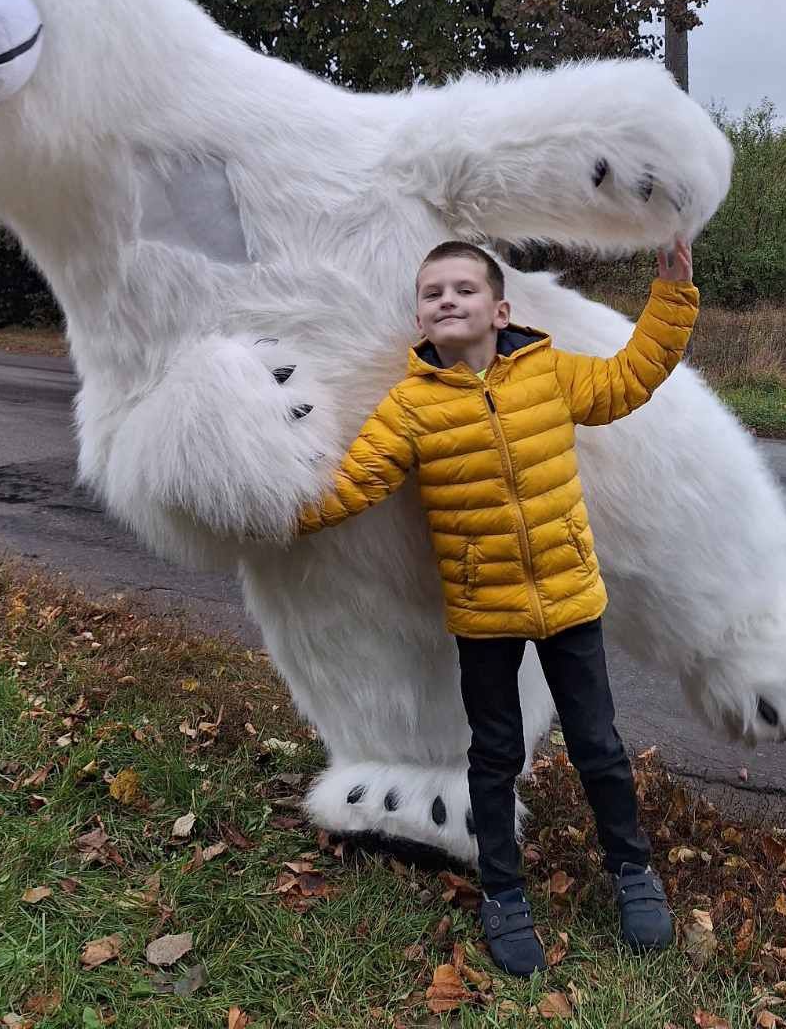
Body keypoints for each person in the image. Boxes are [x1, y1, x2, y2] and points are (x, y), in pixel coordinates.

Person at [295, 237, 699, 976]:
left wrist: (671, 298)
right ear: (421, 318)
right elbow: (353, 485)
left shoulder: (547, 371)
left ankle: (633, 873)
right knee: (493, 756)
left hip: (571, 598)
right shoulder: (411, 407)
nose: (447, 300)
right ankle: (505, 895)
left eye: (463, 289)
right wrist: (271, 512)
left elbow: (629, 380)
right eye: (432, 293)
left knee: (599, 748)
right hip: (485, 613)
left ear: (499, 308)